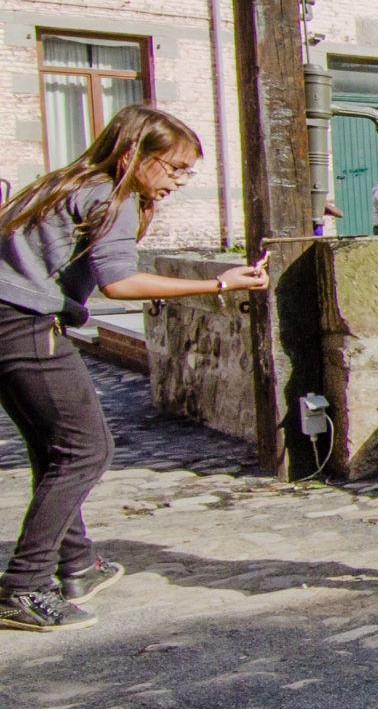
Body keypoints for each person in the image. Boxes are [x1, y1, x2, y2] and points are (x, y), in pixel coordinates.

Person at [0, 106, 271, 631]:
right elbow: (119, 283)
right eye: (174, 167)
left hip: (8, 318)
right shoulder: (113, 196)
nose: (180, 181)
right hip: (25, 322)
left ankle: (77, 563)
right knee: (87, 450)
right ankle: (23, 587)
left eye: (187, 171)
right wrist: (219, 283)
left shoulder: (65, 183)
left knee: (54, 447)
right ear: (132, 156)